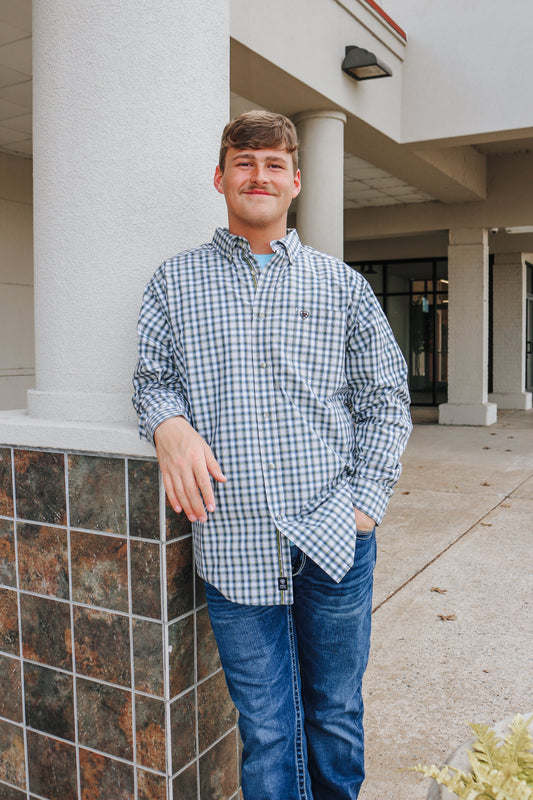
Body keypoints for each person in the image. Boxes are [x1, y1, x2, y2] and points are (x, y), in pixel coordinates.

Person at [132, 110, 412, 800]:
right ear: (221, 176)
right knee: (263, 726)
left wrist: (363, 507)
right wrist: (168, 425)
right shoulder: (174, 282)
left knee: (336, 712)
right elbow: (151, 378)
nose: (259, 176)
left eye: (273, 164)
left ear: (295, 182)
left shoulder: (341, 286)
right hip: (232, 537)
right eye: (244, 162)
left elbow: (386, 400)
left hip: (333, 538)